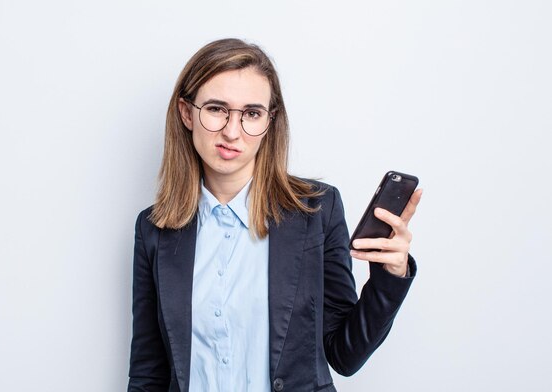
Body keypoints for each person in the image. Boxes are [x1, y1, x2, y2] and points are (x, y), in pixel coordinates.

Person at [127, 38, 422, 392]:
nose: (232, 132)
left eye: (251, 113)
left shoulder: (317, 211)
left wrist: (390, 276)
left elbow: (345, 355)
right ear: (187, 113)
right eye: (217, 109)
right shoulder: (154, 229)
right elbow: (149, 372)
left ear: (270, 121)